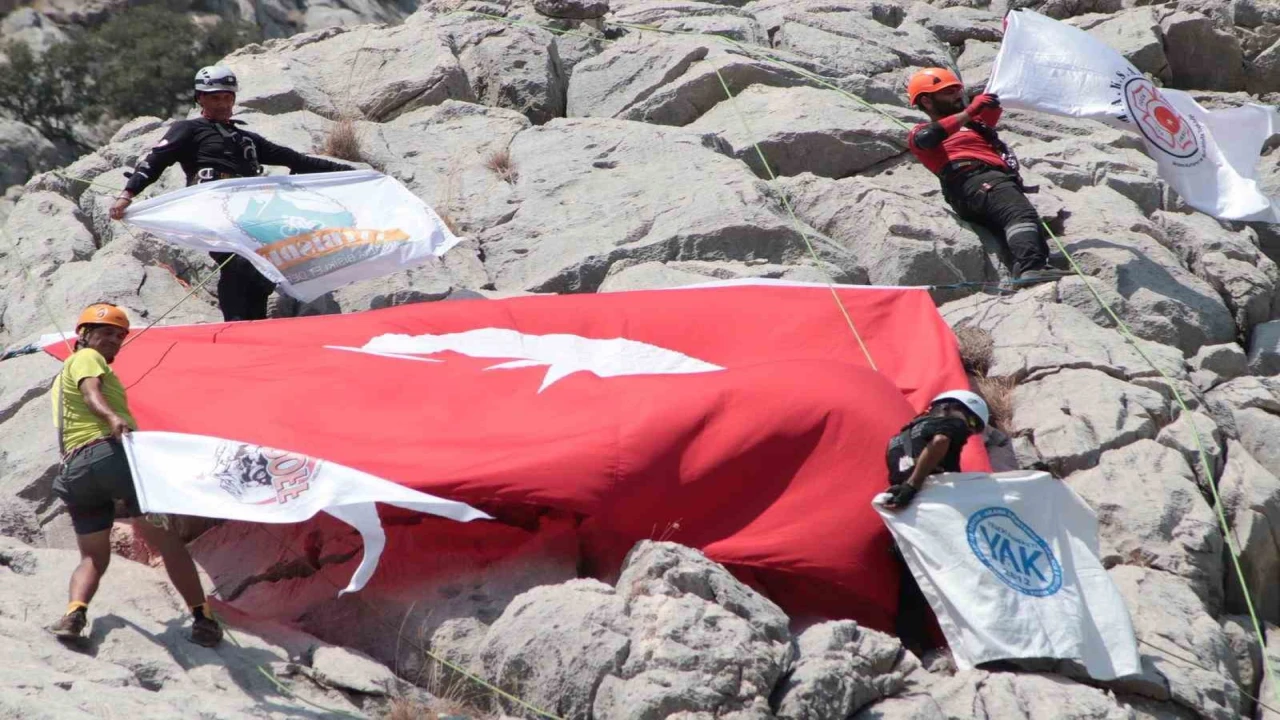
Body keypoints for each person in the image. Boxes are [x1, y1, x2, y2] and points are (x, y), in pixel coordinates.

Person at [109, 66, 354, 322]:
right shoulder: (188, 130)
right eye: (215, 98)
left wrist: (350, 172)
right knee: (237, 262)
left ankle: (254, 323)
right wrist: (128, 193)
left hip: (248, 211)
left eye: (228, 97)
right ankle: (235, 323)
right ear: (200, 98)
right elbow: (155, 161)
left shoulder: (246, 139)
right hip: (213, 207)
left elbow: (297, 160)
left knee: (262, 267)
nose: (223, 104)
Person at [48, 303, 223, 647]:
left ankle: (75, 613)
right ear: (83, 335)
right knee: (165, 539)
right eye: (106, 332)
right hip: (110, 455)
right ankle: (203, 618)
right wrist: (113, 419)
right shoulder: (85, 358)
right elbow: (90, 392)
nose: (113, 340)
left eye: (119, 335)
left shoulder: (61, 379)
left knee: (93, 556)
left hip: (76, 473)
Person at [905, 67, 1067, 283]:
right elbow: (927, 138)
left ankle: (1022, 269)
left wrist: (991, 100)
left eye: (957, 90)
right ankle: (1033, 267)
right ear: (926, 101)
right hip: (977, 178)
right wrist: (971, 111)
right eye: (948, 92)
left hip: (976, 188)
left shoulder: (973, 126)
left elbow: (989, 113)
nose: (956, 95)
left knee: (1012, 224)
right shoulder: (922, 131)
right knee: (1019, 214)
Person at [883, 389, 989, 509]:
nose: (970, 430)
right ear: (946, 407)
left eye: (975, 431)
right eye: (972, 421)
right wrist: (912, 485)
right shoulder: (954, 424)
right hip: (940, 500)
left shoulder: (896, 439)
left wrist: (907, 490)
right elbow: (940, 440)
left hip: (909, 506)